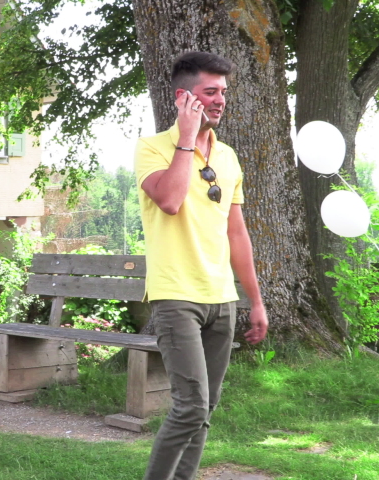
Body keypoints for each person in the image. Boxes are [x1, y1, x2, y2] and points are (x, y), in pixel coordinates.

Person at [134, 51, 269, 480]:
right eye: (210, 91)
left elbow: (237, 234)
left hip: (221, 299)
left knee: (205, 409)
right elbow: (170, 201)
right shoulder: (152, 148)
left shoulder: (227, 157)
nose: (220, 100)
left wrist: (256, 301)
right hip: (177, 296)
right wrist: (187, 139)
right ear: (183, 97)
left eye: (223, 92)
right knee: (190, 407)